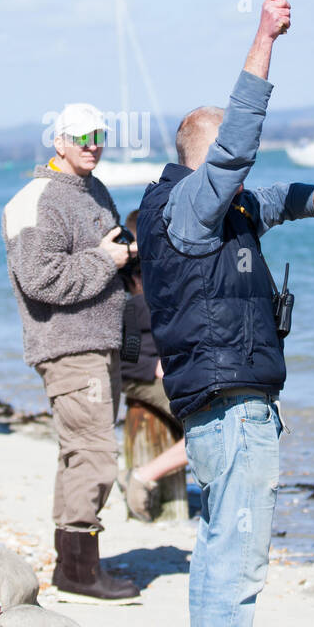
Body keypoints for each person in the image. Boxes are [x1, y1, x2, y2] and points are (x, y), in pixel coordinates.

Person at [138, 0, 314, 627]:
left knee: (219, 545)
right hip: (230, 406)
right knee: (237, 551)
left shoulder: (215, 211)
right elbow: (240, 152)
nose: (238, 188)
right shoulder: (195, 206)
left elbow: (269, 195)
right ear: (204, 170)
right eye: (224, 174)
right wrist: (263, 38)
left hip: (222, 400)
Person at [2, 103, 140, 603]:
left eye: (100, 134)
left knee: (78, 454)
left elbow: (97, 256)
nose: (92, 144)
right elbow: (40, 279)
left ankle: (71, 566)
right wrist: (105, 258)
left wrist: (122, 254)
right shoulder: (35, 200)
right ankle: (82, 571)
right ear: (58, 142)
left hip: (102, 342)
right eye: (81, 137)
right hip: (67, 345)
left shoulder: (94, 191)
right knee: (97, 457)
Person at [116, 206, 187, 523]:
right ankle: (143, 477)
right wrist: (153, 365)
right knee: (206, 429)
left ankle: (140, 475)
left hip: (144, 370)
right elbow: (126, 351)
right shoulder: (132, 286)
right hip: (139, 374)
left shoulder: (153, 278)